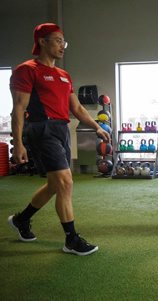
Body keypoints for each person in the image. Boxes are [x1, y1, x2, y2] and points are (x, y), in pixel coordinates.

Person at [7, 23, 111, 256]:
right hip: (40, 129)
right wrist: (19, 143)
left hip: (60, 130)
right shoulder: (27, 70)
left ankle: (21, 220)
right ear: (42, 42)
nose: (62, 46)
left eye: (64, 42)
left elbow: (76, 108)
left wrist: (96, 127)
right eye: (56, 40)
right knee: (65, 182)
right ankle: (71, 239)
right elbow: (18, 108)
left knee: (56, 184)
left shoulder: (64, 75)